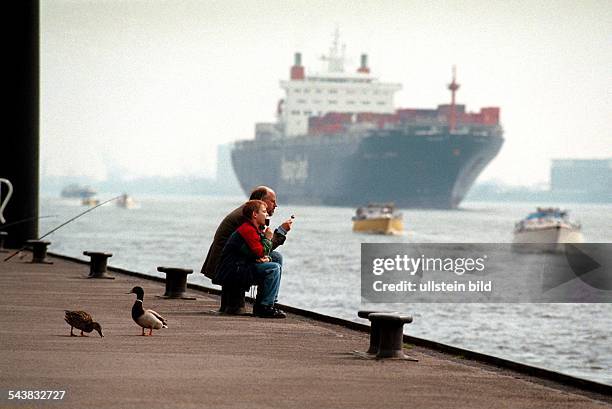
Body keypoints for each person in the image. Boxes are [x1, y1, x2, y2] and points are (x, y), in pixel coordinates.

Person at [201, 186, 292, 283]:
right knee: (274, 266)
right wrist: (281, 231)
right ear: (262, 202)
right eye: (272, 201)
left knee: (276, 257)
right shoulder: (247, 218)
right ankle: (266, 298)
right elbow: (260, 250)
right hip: (228, 265)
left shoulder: (246, 212)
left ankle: (267, 297)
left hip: (234, 259)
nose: (275, 205)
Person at [214, 200, 286, 318]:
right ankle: (265, 307)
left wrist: (262, 257)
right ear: (255, 214)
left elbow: (255, 252)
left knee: (276, 257)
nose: (267, 214)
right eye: (264, 211)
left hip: (241, 264)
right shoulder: (247, 229)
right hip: (233, 270)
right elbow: (260, 251)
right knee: (274, 268)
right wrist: (268, 238)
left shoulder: (255, 228)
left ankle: (269, 301)